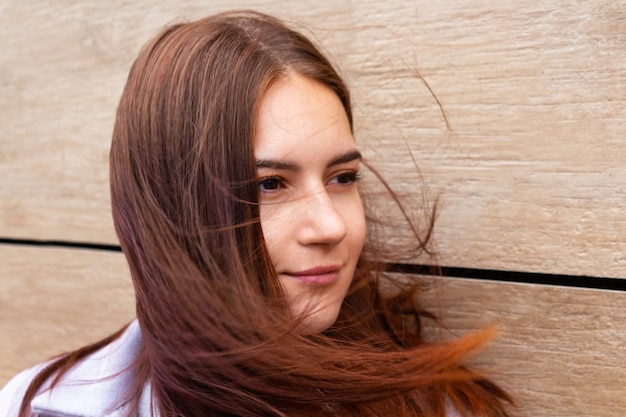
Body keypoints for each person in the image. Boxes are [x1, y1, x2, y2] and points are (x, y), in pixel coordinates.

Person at [0, 10, 512, 417]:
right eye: (270, 185)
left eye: (342, 178)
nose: (331, 227)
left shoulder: (434, 406)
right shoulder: (39, 406)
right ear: (172, 213)